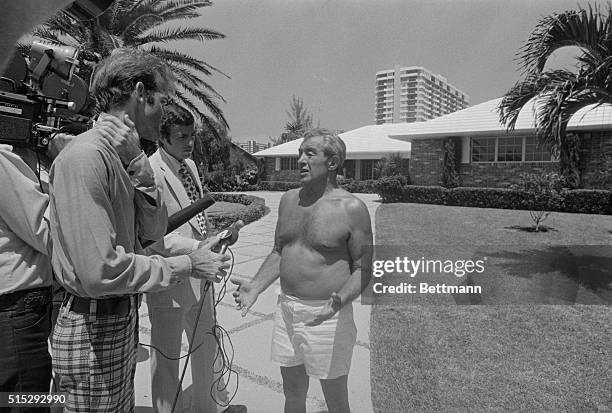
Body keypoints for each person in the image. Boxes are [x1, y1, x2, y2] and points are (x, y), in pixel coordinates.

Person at [48, 48, 230, 413]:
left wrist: (139, 169)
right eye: (163, 101)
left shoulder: (123, 157)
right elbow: (102, 271)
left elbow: (151, 235)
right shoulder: (87, 157)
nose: (164, 112)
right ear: (139, 93)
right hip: (92, 329)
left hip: (116, 320)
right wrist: (189, 265)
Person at [232, 129, 373, 413]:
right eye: (299, 153)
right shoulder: (288, 200)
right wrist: (256, 286)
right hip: (287, 311)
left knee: (335, 400)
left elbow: (363, 268)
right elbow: (279, 250)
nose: (300, 160)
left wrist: (341, 299)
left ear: (332, 163)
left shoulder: (352, 208)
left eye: (310, 153)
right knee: (292, 393)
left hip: (328, 316)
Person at [147, 103, 246, 413]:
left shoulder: (187, 165)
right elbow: (154, 237)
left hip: (201, 280)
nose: (190, 142)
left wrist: (218, 236)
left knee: (206, 347)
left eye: (192, 135)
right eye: (182, 136)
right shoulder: (150, 172)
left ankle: (208, 408)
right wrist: (197, 249)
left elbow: (194, 216)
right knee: (167, 361)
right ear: (162, 137)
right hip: (170, 282)